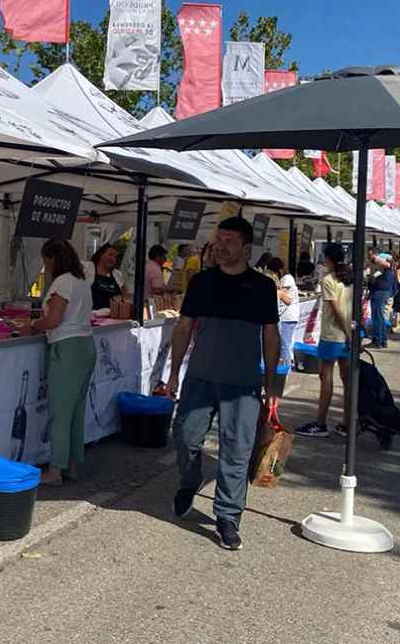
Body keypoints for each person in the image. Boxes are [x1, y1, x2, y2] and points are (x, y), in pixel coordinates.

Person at [165, 217, 279, 551]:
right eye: (219, 238)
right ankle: (191, 479)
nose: (221, 245)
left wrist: (272, 385)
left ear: (246, 248)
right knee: (185, 436)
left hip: (243, 383)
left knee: (237, 449)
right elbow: (184, 328)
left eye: (229, 240)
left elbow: (270, 336)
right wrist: (173, 373)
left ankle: (227, 516)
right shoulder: (201, 282)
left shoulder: (262, 287)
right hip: (200, 377)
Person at [21, 239, 94, 486]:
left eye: (44, 260)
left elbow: (53, 320)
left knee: (60, 411)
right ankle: (72, 464)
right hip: (85, 345)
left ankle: (55, 471)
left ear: (51, 258)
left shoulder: (62, 282)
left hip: (67, 347)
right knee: (76, 410)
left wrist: (31, 326)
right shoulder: (81, 280)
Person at [295, 243, 353, 439]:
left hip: (332, 336)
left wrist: (346, 331)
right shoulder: (350, 278)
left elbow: (336, 310)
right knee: (347, 381)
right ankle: (347, 422)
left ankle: (320, 423)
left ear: (328, 258)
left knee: (326, 379)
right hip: (346, 337)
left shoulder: (329, 280)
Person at [268, 258, 298, 368]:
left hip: (288, 316)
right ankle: (285, 366)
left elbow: (285, 297)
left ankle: (286, 368)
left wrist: (277, 288)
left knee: (285, 344)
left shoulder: (287, 278)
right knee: (284, 343)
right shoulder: (284, 279)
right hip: (285, 315)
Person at [366, 248, 394, 349]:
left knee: (377, 317)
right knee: (379, 317)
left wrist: (373, 258)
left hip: (380, 291)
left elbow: (388, 263)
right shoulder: (380, 265)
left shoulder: (384, 257)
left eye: (370, 254)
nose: (369, 257)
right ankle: (382, 340)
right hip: (378, 290)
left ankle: (377, 340)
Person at [85, 244, 126, 310]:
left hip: (113, 317)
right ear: (100, 254)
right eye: (110, 255)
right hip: (91, 316)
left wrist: (121, 298)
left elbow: (124, 297)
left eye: (115, 257)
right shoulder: (88, 267)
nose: (113, 258)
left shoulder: (117, 274)